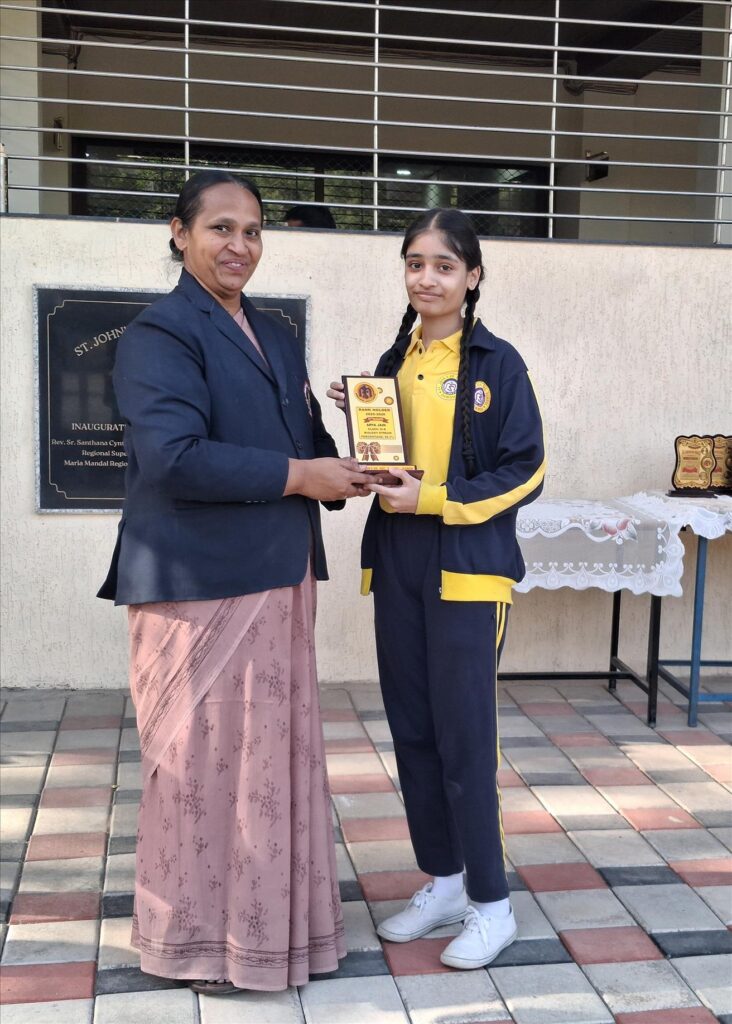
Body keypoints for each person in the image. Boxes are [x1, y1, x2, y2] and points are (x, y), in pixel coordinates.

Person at [98, 169, 373, 994]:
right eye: (221, 228)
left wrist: (359, 453)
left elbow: (300, 441)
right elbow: (174, 458)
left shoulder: (274, 332)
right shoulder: (158, 335)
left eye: (252, 231)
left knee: (271, 768)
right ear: (179, 234)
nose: (239, 246)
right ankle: (200, 944)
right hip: (200, 585)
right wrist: (301, 475)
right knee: (204, 769)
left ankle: (274, 934)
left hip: (278, 577)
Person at [327, 207, 545, 969]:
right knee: (414, 730)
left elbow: (526, 469)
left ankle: (492, 904)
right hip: (398, 562)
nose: (427, 278)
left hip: (467, 567)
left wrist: (437, 499)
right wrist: (362, 425)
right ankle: (445, 881)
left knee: (464, 739)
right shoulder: (395, 359)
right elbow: (395, 463)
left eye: (444, 266)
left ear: (472, 277)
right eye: (415, 263)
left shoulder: (498, 364)